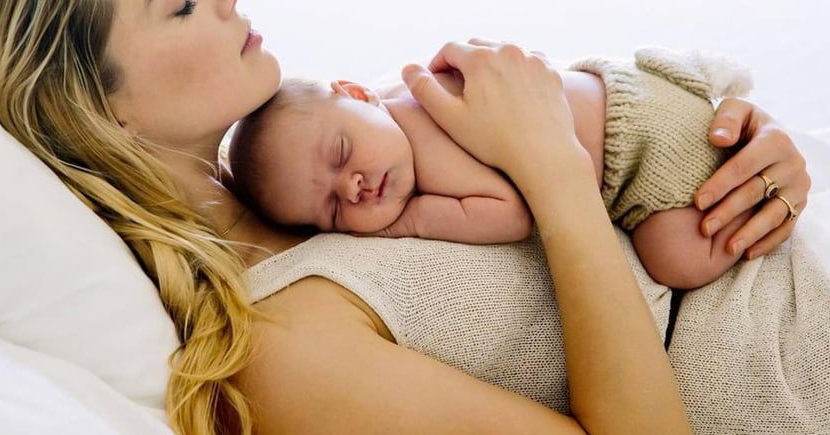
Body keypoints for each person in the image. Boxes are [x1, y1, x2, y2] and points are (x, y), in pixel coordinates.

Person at [0, 0, 823, 435]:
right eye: (178, 3)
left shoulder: (324, 163)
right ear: (102, 111)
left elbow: (608, 140)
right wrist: (549, 169)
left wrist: (732, 142)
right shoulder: (281, 354)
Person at [228, 49, 759, 289]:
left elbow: (509, 216)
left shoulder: (422, 128)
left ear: (359, 94)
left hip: (641, 143)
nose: (355, 187)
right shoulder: (400, 94)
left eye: (342, 155)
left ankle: (752, 219)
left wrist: (411, 221)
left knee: (675, 261)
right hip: (625, 87)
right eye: (332, 208)